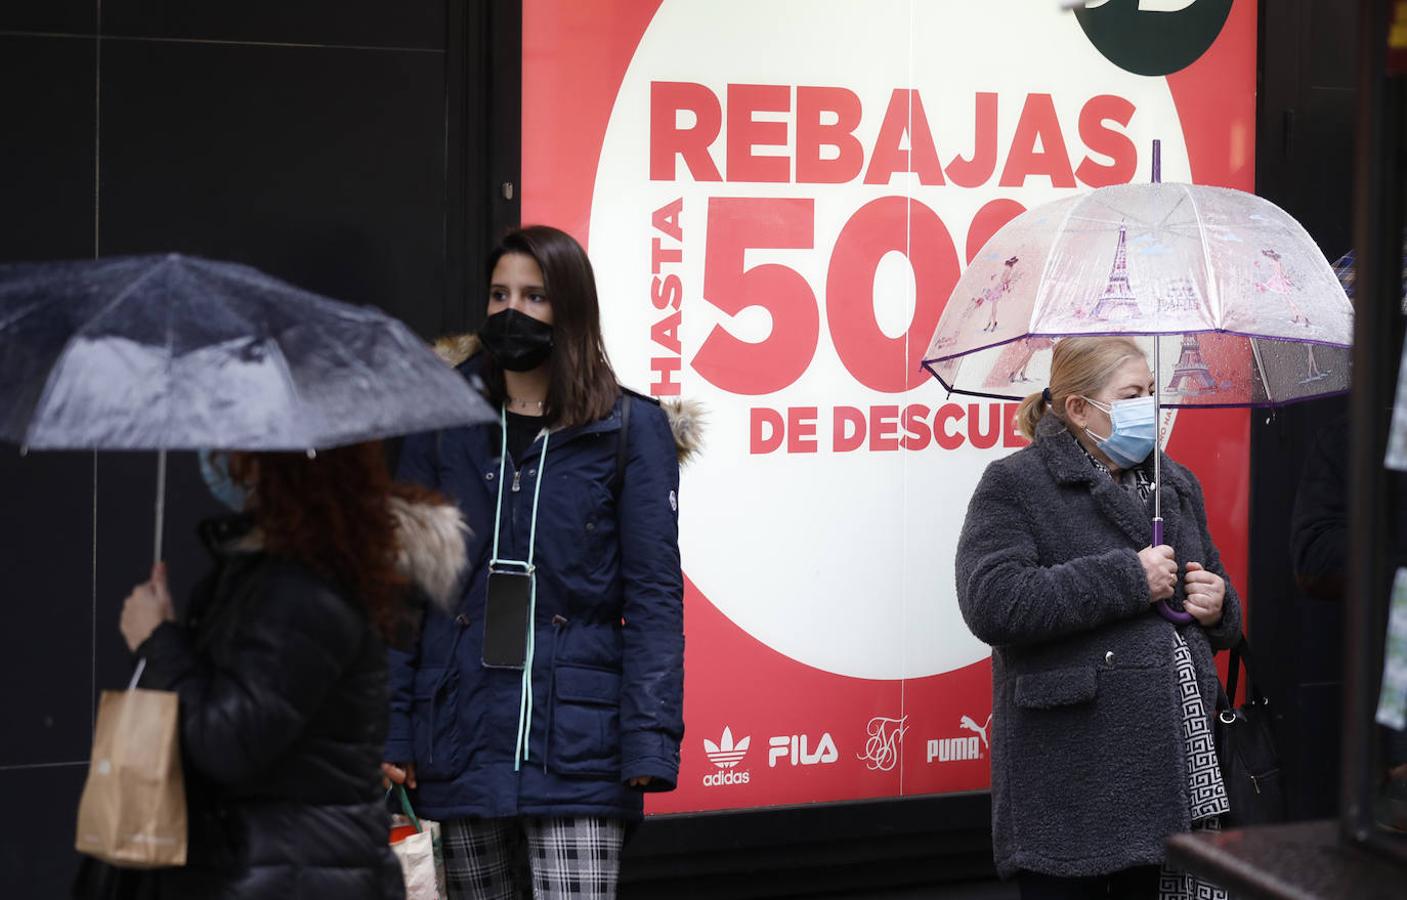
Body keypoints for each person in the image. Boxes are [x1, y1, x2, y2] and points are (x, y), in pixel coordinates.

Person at [383, 225, 693, 900]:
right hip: (460, 729)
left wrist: (648, 738)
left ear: (571, 309)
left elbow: (653, 600)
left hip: (579, 740)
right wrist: (393, 727)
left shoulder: (629, 429)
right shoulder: (438, 421)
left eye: (533, 295)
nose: (510, 311)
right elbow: (403, 592)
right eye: (498, 294)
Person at [109, 443, 468, 899]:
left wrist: (159, 640)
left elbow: (232, 741)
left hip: (293, 871)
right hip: (277, 863)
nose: (218, 459)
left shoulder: (302, 592)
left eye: (234, 448)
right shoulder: (279, 574)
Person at [955, 336, 1242, 900]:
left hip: (1177, 766)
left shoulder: (1176, 485)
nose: (1149, 408)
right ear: (1078, 408)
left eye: (1153, 393)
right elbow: (992, 600)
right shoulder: (1016, 484)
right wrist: (1127, 579)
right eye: (1132, 394)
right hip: (1075, 774)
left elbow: (1213, 602)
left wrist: (1218, 606)